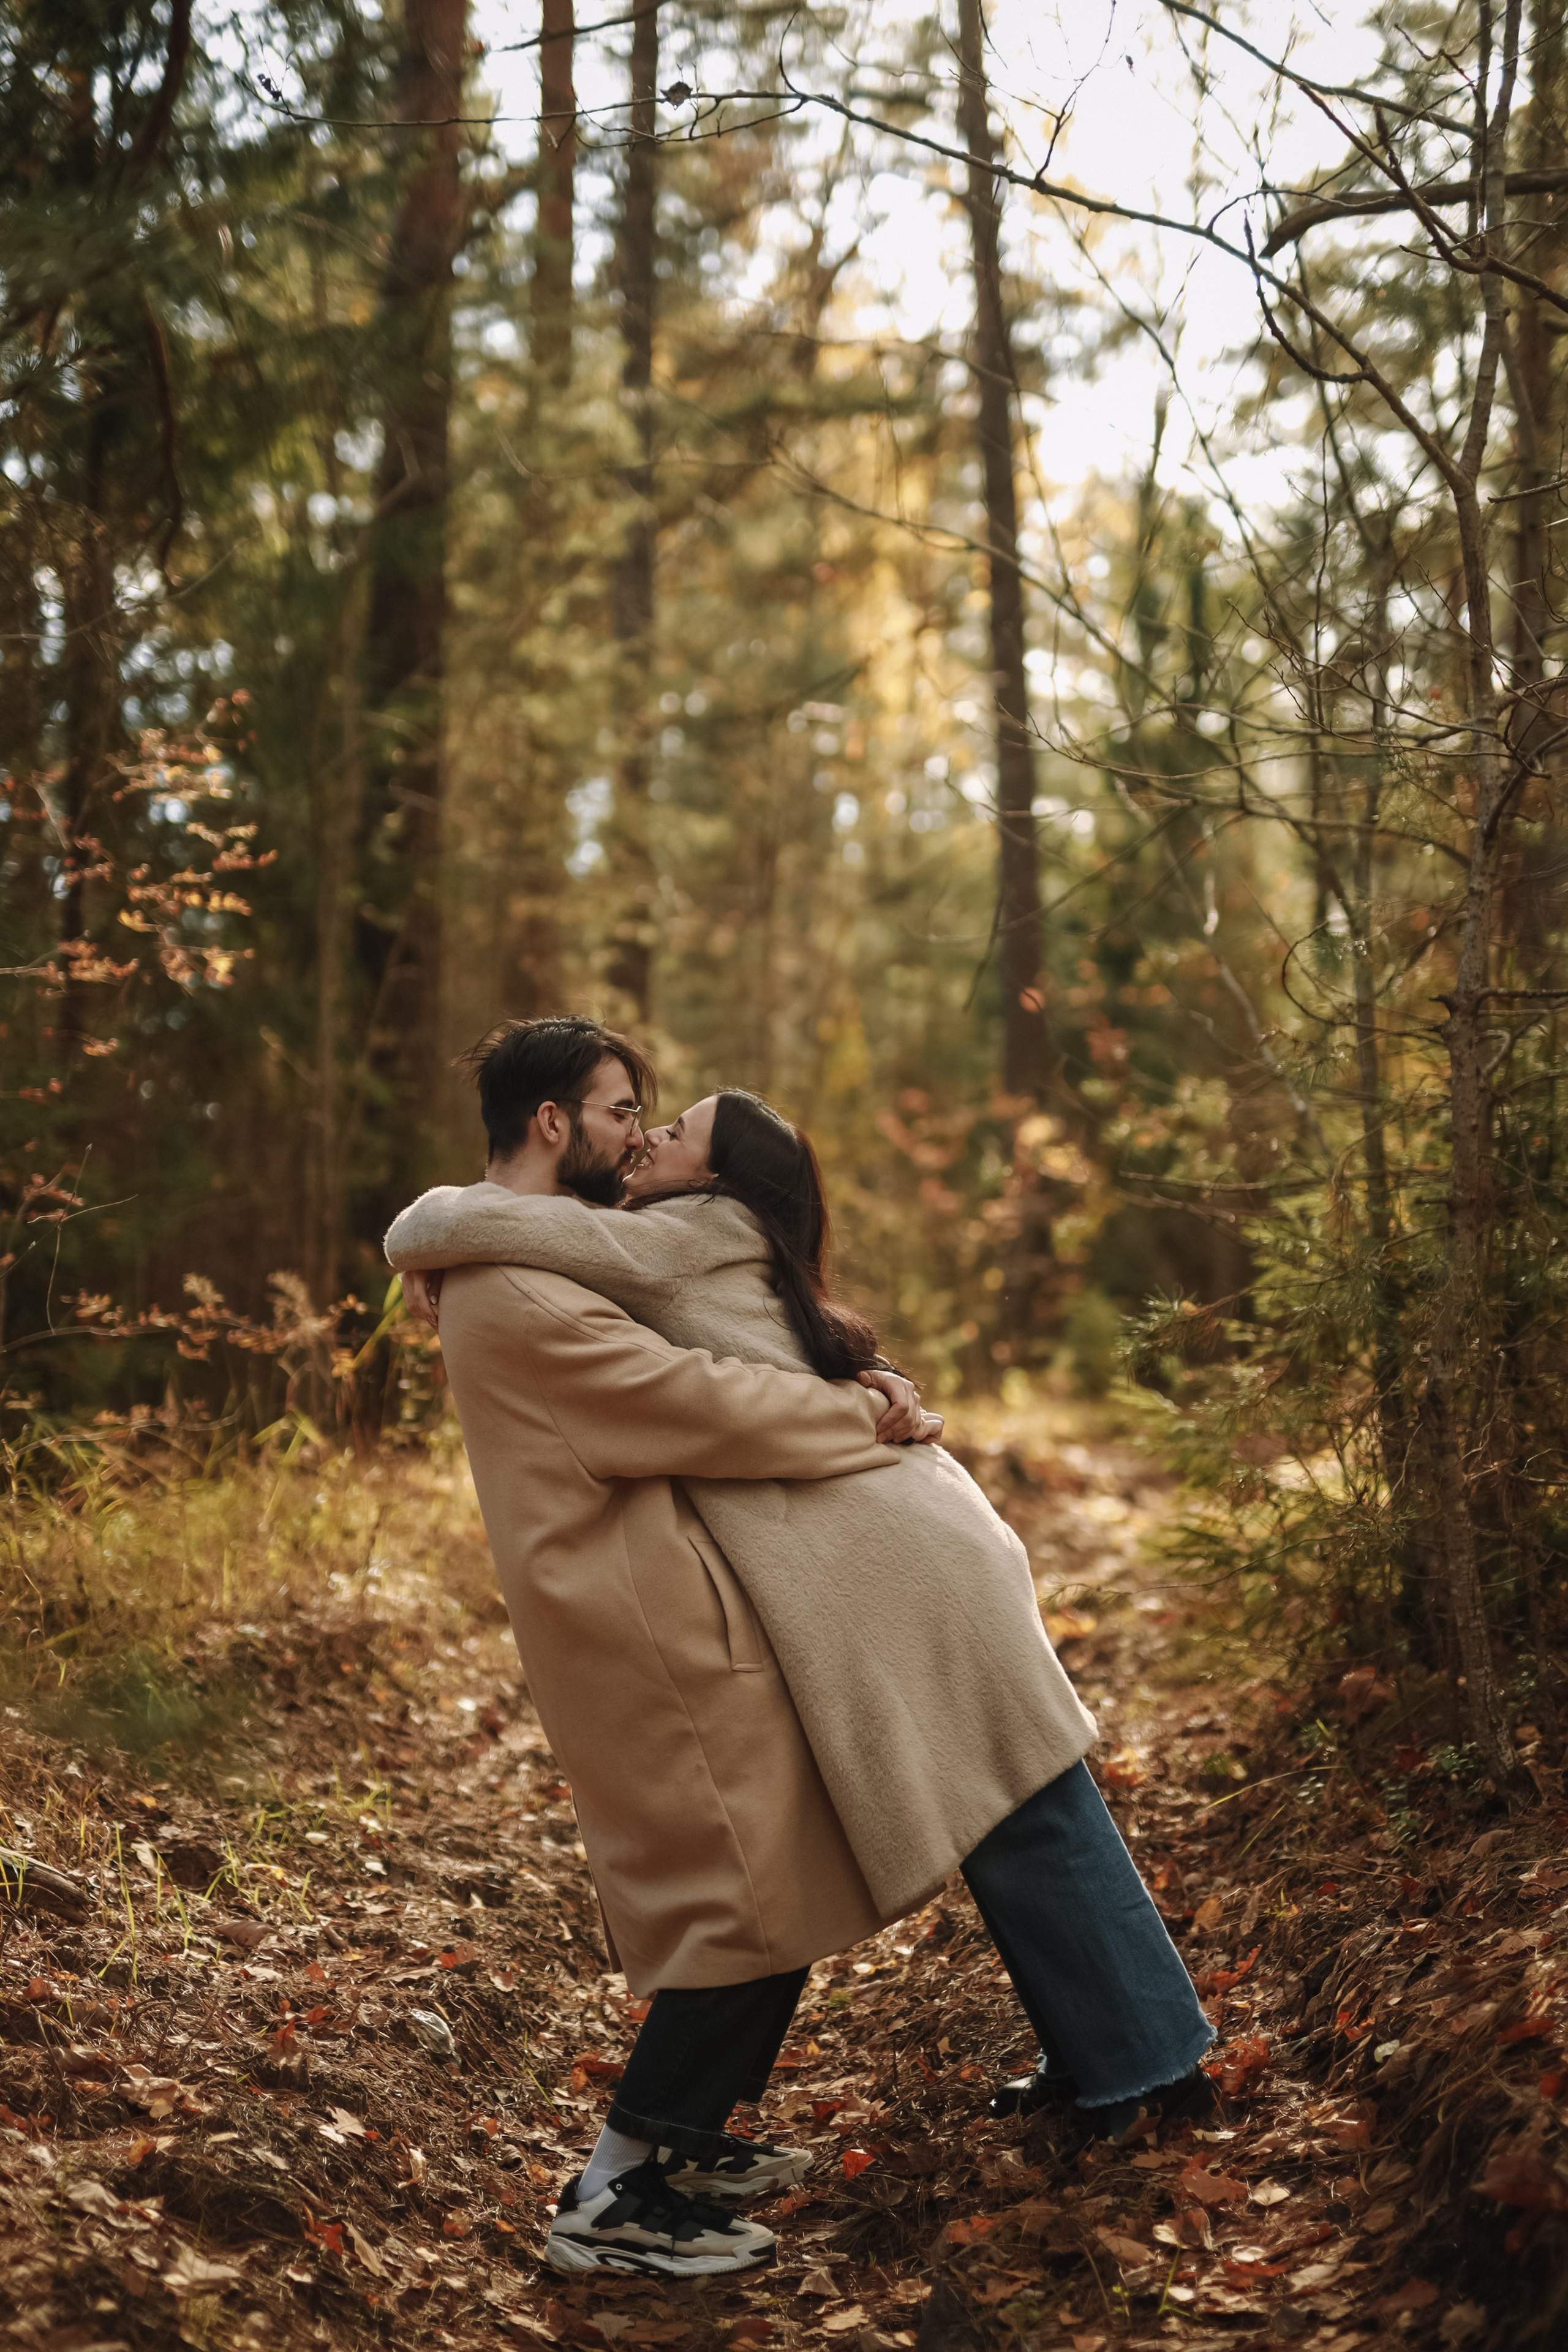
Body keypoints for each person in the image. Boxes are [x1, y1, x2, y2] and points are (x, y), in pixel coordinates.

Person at [386, 1019, 1215, 2279]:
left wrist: (439, 1239)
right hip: (680, 1616)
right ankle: (625, 2182)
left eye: (660, 1124)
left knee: (968, 1815)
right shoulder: (549, 1275)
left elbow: (629, 1319)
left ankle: (1130, 2061)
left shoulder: (622, 1250)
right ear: (553, 1122)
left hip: (866, 1565)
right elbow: (691, 1398)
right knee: (781, 1882)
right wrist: (858, 1403)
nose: (638, 1135)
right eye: (624, 1111)